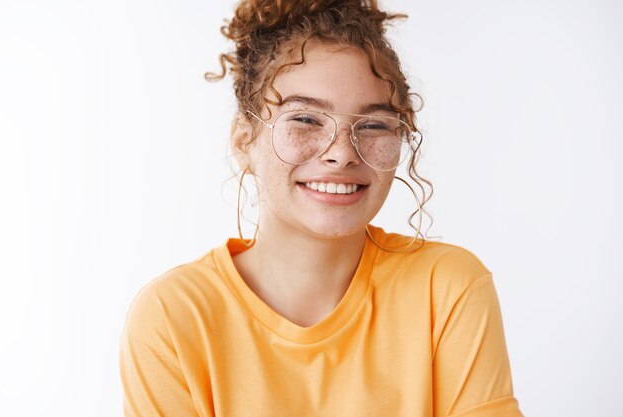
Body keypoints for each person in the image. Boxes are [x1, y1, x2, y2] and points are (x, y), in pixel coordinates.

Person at [119, 0, 524, 416]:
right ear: (244, 141)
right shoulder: (174, 316)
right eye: (306, 120)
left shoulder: (448, 288)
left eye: (373, 125)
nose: (342, 153)